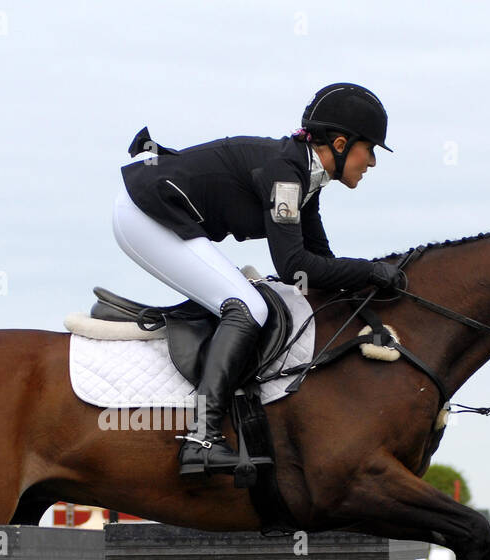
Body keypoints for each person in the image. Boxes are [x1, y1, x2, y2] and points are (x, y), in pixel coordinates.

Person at [115, 83, 407, 477]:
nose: (371, 162)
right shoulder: (286, 176)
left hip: (156, 215)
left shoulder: (306, 179)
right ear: (340, 143)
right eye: (369, 149)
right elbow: (293, 267)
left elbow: (319, 264)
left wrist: (370, 291)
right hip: (146, 215)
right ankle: (201, 438)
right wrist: (371, 270)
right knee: (248, 306)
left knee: (248, 301)